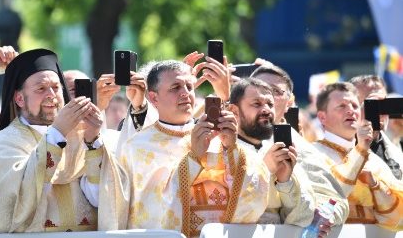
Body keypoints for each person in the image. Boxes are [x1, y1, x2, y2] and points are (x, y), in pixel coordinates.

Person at [116, 60, 271, 237]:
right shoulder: (137, 147)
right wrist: (193, 158)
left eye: (189, 86)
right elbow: (149, 210)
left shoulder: (220, 137)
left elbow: (256, 199)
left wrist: (232, 150)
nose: (185, 93)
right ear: (153, 98)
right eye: (175, 88)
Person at [0, 49, 110, 232]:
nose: (51, 95)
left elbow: (101, 200)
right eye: (41, 89)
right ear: (19, 98)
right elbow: (15, 210)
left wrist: (92, 140)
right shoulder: (1, 143)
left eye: (56, 87)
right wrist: (58, 132)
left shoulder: (81, 135)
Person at [250, 65, 349, 229]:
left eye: (275, 91)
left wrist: (322, 215)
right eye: (258, 89)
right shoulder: (226, 136)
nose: (266, 96)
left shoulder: (301, 148)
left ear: (289, 102)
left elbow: (335, 201)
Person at [313, 82, 403, 230]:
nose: (351, 111)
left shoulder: (373, 159)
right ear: (322, 117)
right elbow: (331, 197)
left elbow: (398, 220)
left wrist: (375, 186)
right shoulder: (310, 153)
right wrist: (360, 151)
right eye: (342, 106)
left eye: (355, 106)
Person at [227, 77, 315, 227]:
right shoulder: (222, 151)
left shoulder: (279, 150)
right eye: (257, 104)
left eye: (270, 104)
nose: (266, 110)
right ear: (235, 110)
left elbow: (304, 217)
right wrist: (265, 170)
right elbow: (229, 214)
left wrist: (285, 182)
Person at [350, 75, 403, 180]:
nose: (379, 111)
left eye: (383, 104)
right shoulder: (340, 147)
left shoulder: (396, 149)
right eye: (372, 103)